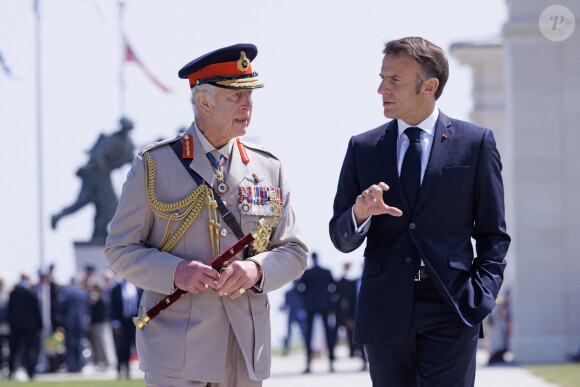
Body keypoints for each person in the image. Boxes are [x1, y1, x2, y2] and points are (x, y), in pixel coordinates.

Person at [105, 43, 308, 387]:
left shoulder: (268, 167)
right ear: (203, 101)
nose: (248, 105)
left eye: (250, 96)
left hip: (246, 349)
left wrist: (256, 269)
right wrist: (176, 272)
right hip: (176, 352)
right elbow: (120, 249)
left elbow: (294, 251)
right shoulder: (154, 164)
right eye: (236, 97)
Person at [328, 37, 511, 386]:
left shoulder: (476, 143)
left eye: (394, 80)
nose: (382, 88)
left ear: (429, 86)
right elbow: (340, 236)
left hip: (454, 305)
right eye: (382, 77)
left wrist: (481, 295)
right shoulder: (362, 148)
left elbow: (493, 234)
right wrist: (360, 214)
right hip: (384, 309)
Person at [51, 117, 135, 243]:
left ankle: (100, 231)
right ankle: (59, 216)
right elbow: (98, 156)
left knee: (104, 204)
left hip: (102, 175)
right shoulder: (113, 140)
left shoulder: (126, 143)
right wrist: (106, 168)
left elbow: (131, 159)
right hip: (96, 174)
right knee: (101, 202)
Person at [296, 252, 337, 373]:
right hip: (325, 305)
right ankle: (331, 363)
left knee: (309, 334)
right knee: (328, 333)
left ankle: (308, 364)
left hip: (311, 306)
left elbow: (299, 288)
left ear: (312, 259)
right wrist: (329, 298)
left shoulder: (308, 273)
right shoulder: (326, 272)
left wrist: (306, 297)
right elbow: (335, 287)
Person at [7, 274, 43, 380]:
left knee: (14, 350)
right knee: (29, 349)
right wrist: (40, 325)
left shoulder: (13, 293)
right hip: (29, 326)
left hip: (15, 326)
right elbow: (36, 311)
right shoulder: (31, 292)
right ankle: (30, 371)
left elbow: (9, 311)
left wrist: (11, 324)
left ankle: (11, 371)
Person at [110, 279, 141, 378]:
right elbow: (113, 306)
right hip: (122, 320)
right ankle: (122, 367)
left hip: (134, 320)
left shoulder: (137, 287)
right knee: (122, 345)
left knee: (137, 344)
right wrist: (115, 322)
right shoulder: (117, 288)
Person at [280, 280, 307, 356]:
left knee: (304, 333)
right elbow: (286, 305)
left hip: (300, 315)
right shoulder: (288, 293)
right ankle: (286, 350)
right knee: (289, 333)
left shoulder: (302, 292)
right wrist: (281, 308)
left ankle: (307, 349)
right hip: (292, 315)